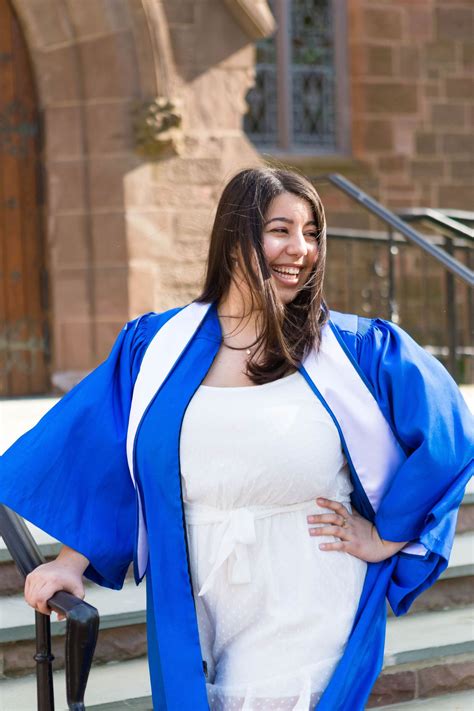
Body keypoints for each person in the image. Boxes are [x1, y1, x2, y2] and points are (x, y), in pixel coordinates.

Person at [0, 167, 472, 711]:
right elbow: (111, 457)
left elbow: (447, 435)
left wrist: (389, 534)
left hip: (307, 588)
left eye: (312, 233)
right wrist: (69, 562)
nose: (302, 249)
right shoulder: (157, 349)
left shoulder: (355, 351)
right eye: (281, 230)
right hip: (196, 591)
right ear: (235, 235)